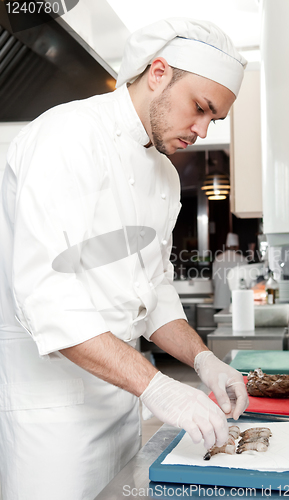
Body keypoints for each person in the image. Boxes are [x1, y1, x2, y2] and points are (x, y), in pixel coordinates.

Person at [0, 18, 249, 500]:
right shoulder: (66, 138)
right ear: (158, 72)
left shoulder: (164, 174)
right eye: (199, 108)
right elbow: (48, 301)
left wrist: (203, 361)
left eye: (213, 120)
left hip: (123, 402)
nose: (201, 129)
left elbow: (152, 289)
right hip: (53, 418)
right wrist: (158, 387)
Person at [213, 232, 247, 310]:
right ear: (237, 246)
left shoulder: (218, 259)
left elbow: (214, 280)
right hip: (236, 302)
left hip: (219, 301)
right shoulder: (242, 259)